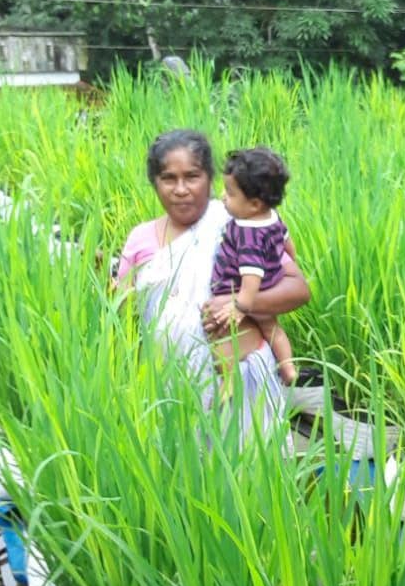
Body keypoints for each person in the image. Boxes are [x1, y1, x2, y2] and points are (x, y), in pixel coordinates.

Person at [116, 129, 309, 435]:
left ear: (210, 179)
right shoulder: (140, 239)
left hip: (243, 384)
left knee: (249, 475)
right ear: (154, 182)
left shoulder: (238, 225)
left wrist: (240, 304)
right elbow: (122, 314)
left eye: (192, 176)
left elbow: (298, 289)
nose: (181, 189)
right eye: (168, 178)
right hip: (170, 389)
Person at [209, 146, 298, 386]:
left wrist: (239, 307)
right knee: (273, 330)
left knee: (224, 337)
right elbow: (287, 242)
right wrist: (291, 260)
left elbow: (250, 277)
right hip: (271, 285)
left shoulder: (247, 234)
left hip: (240, 291)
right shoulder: (272, 217)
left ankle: (227, 380)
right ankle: (288, 367)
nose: (222, 196)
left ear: (255, 204)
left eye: (229, 193)